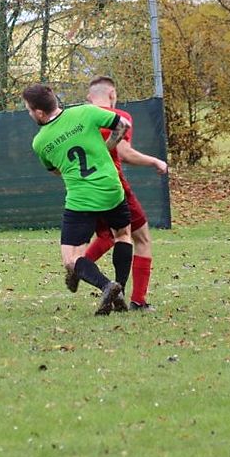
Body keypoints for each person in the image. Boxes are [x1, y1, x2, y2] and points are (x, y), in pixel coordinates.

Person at [22, 83, 132, 316]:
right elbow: (123, 124)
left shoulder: (40, 142)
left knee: (71, 260)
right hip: (111, 188)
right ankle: (120, 290)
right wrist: (106, 148)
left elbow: (55, 170)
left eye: (29, 110)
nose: (29, 114)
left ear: (39, 113)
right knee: (123, 235)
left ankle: (107, 286)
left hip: (81, 199)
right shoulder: (86, 111)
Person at [65, 76, 168, 312]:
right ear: (112, 94)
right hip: (113, 187)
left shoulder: (78, 120)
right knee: (140, 239)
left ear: (89, 98)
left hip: (83, 190)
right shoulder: (118, 117)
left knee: (105, 237)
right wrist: (155, 161)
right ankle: (137, 300)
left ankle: (79, 269)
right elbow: (124, 153)